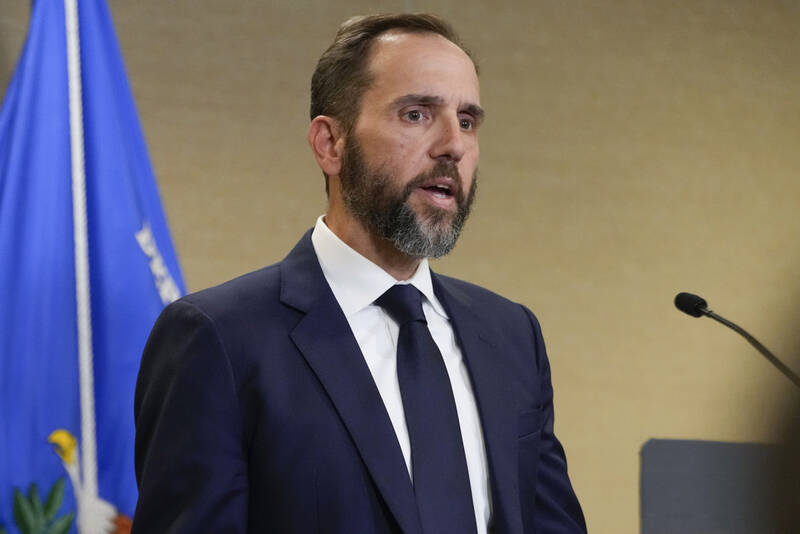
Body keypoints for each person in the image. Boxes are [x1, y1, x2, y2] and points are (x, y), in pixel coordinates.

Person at [132, 13, 586, 534]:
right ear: (331, 144)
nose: (453, 145)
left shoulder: (511, 336)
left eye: (466, 121)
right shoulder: (219, 339)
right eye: (416, 114)